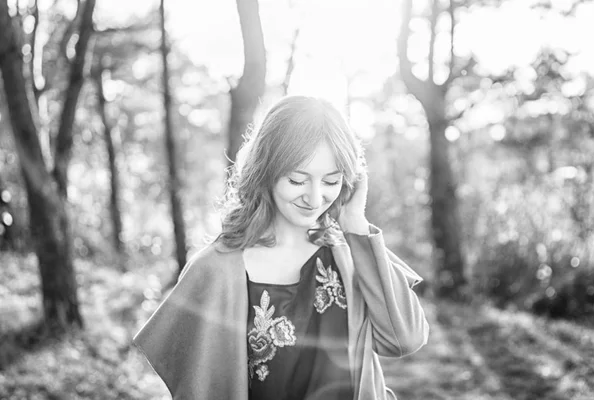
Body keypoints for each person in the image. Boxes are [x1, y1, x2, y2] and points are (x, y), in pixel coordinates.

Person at [133, 96, 429, 400]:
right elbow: (200, 387)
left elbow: (404, 339)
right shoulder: (216, 267)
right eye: (297, 180)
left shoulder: (350, 254)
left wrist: (355, 222)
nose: (315, 199)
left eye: (331, 181)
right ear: (266, 170)